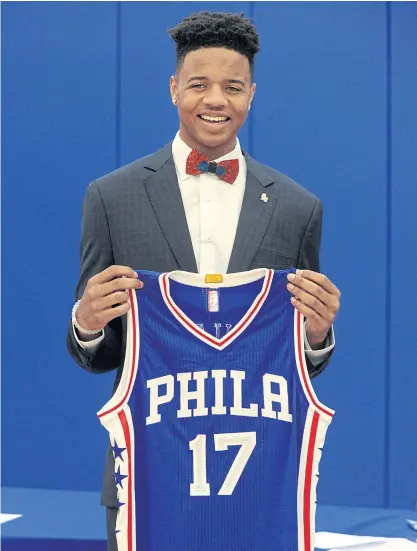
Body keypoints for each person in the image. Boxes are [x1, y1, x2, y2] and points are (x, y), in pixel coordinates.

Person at [67, 11, 341, 551]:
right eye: (199, 84)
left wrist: (317, 335)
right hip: (145, 476)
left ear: (251, 95)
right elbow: (97, 356)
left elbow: (298, 359)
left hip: (260, 482)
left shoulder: (296, 207)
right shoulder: (112, 197)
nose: (215, 99)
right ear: (174, 89)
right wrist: (87, 322)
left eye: (232, 87)